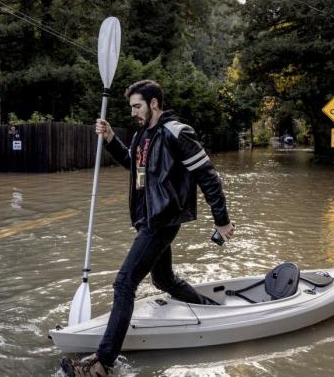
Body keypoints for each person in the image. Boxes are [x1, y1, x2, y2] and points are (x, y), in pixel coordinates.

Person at [60, 79, 235, 377]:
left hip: (163, 220)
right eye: (131, 107)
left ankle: (102, 363)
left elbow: (208, 176)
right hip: (148, 219)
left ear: (154, 104)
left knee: (124, 283)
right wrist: (112, 138)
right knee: (164, 279)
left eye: (137, 106)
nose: (133, 112)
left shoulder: (177, 132)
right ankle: (209, 309)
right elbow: (135, 168)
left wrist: (222, 220)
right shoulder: (143, 135)